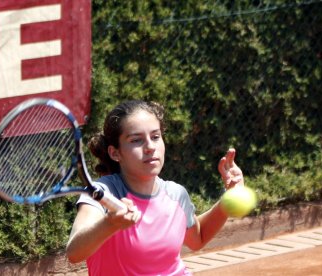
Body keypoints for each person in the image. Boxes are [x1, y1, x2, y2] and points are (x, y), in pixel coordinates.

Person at [66, 100, 244, 275]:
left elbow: (198, 238)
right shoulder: (103, 192)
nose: (150, 147)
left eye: (155, 137)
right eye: (136, 140)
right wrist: (110, 224)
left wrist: (230, 197)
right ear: (115, 153)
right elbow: (74, 253)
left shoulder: (176, 194)